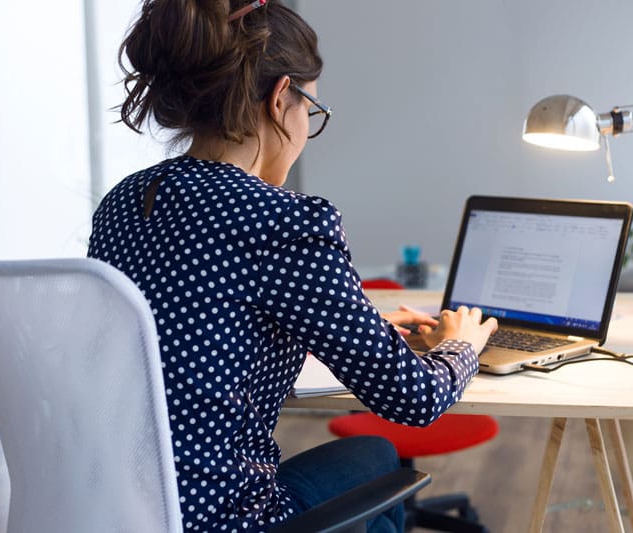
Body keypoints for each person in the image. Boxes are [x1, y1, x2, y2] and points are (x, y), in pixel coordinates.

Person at [88, 1, 498, 531]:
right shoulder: (285, 220)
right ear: (282, 97)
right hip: (224, 520)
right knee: (375, 455)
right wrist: (461, 344)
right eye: (312, 110)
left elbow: (189, 331)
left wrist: (355, 330)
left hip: (117, 510)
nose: (307, 128)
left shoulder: (124, 201)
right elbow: (412, 399)